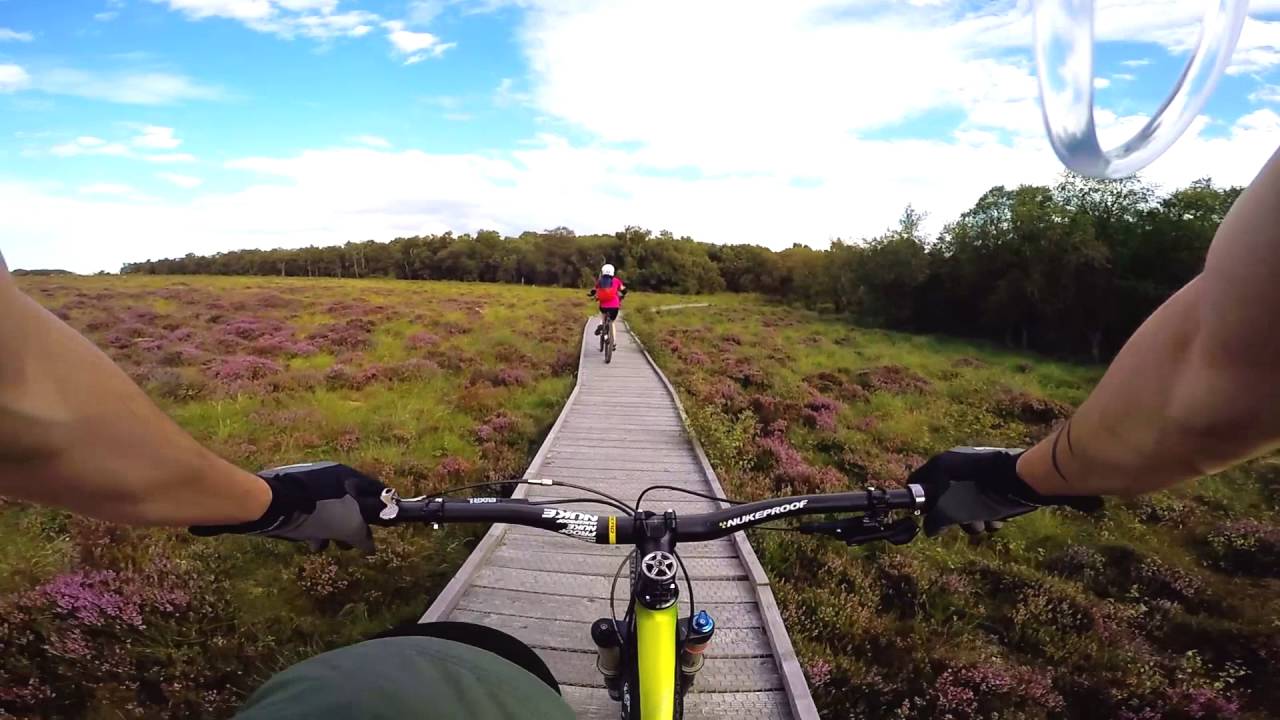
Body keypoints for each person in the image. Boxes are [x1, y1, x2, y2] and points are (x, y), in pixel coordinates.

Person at [4, 143, 1280, 714]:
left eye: (609, 281)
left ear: (611, 273)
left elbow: (34, 411)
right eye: (609, 282)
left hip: (577, 403)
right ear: (612, 275)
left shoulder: (613, 277)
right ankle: (611, 365)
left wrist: (273, 501)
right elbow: (1213, 389)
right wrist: (1025, 475)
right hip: (661, 386)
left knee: (419, 671)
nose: (607, 281)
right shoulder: (607, 278)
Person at [588, 262, 627, 338]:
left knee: (603, 314)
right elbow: (623, 290)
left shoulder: (600, 281)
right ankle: (613, 343)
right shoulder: (616, 281)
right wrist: (623, 295)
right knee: (612, 322)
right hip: (615, 306)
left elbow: (594, 290)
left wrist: (592, 294)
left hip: (603, 306)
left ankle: (601, 325)